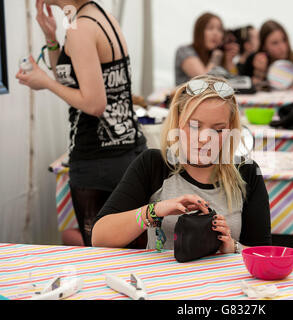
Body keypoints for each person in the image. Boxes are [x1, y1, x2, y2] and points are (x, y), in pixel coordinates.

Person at [16, 0, 147, 247]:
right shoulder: (97, 16)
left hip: (99, 161)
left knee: (102, 256)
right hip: (124, 153)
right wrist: (51, 39)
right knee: (129, 253)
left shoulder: (80, 28)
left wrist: (44, 81)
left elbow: (94, 103)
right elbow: (72, 80)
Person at [91, 75, 272, 251]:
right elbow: (99, 238)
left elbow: (264, 254)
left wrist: (232, 247)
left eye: (218, 130)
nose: (204, 139)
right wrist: (154, 211)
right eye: (194, 126)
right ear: (177, 123)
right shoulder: (154, 165)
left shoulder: (246, 172)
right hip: (161, 280)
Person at [240, 20, 293, 89]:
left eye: (284, 40)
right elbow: (243, 89)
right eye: (275, 43)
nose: (282, 47)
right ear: (264, 46)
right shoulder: (253, 60)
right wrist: (259, 74)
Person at [175, 12, 239, 86]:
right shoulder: (184, 51)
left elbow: (236, 83)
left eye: (220, 30)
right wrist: (216, 57)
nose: (215, 33)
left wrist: (229, 61)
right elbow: (204, 80)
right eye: (210, 28)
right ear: (199, 32)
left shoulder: (217, 54)